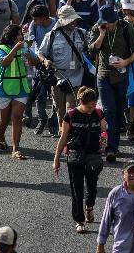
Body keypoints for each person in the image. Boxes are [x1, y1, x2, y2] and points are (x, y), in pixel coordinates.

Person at [87, 4, 134, 163]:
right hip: (104, 76)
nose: (108, 25)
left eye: (110, 22)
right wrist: (102, 34)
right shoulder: (98, 28)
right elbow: (91, 50)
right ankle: (110, 148)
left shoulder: (126, 27)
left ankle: (115, 144)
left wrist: (126, 62)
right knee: (109, 111)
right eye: (105, 22)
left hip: (121, 76)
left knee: (118, 111)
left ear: (116, 20)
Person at [52, 85, 107, 234]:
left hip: (93, 156)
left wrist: (104, 143)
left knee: (92, 187)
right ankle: (79, 220)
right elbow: (63, 138)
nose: (92, 109)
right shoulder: (70, 116)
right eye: (89, 106)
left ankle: (89, 206)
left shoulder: (99, 113)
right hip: (75, 156)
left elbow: (103, 132)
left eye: (94, 105)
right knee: (77, 190)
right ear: (81, 102)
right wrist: (56, 159)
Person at [38, 4, 87, 131]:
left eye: (74, 19)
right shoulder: (51, 35)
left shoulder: (82, 34)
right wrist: (45, 61)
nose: (73, 22)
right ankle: (63, 136)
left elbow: (90, 51)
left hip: (77, 77)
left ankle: (70, 136)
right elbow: (40, 52)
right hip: (58, 77)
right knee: (60, 111)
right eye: (69, 20)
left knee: (71, 109)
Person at [0, 22, 38, 158]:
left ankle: (15, 149)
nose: (21, 36)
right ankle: (1, 137)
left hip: (20, 87)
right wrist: (15, 49)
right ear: (12, 36)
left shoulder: (24, 47)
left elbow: (36, 62)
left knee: (17, 117)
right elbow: (4, 63)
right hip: (4, 88)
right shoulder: (0, 49)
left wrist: (31, 58)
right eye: (19, 34)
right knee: (4, 121)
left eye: (21, 34)